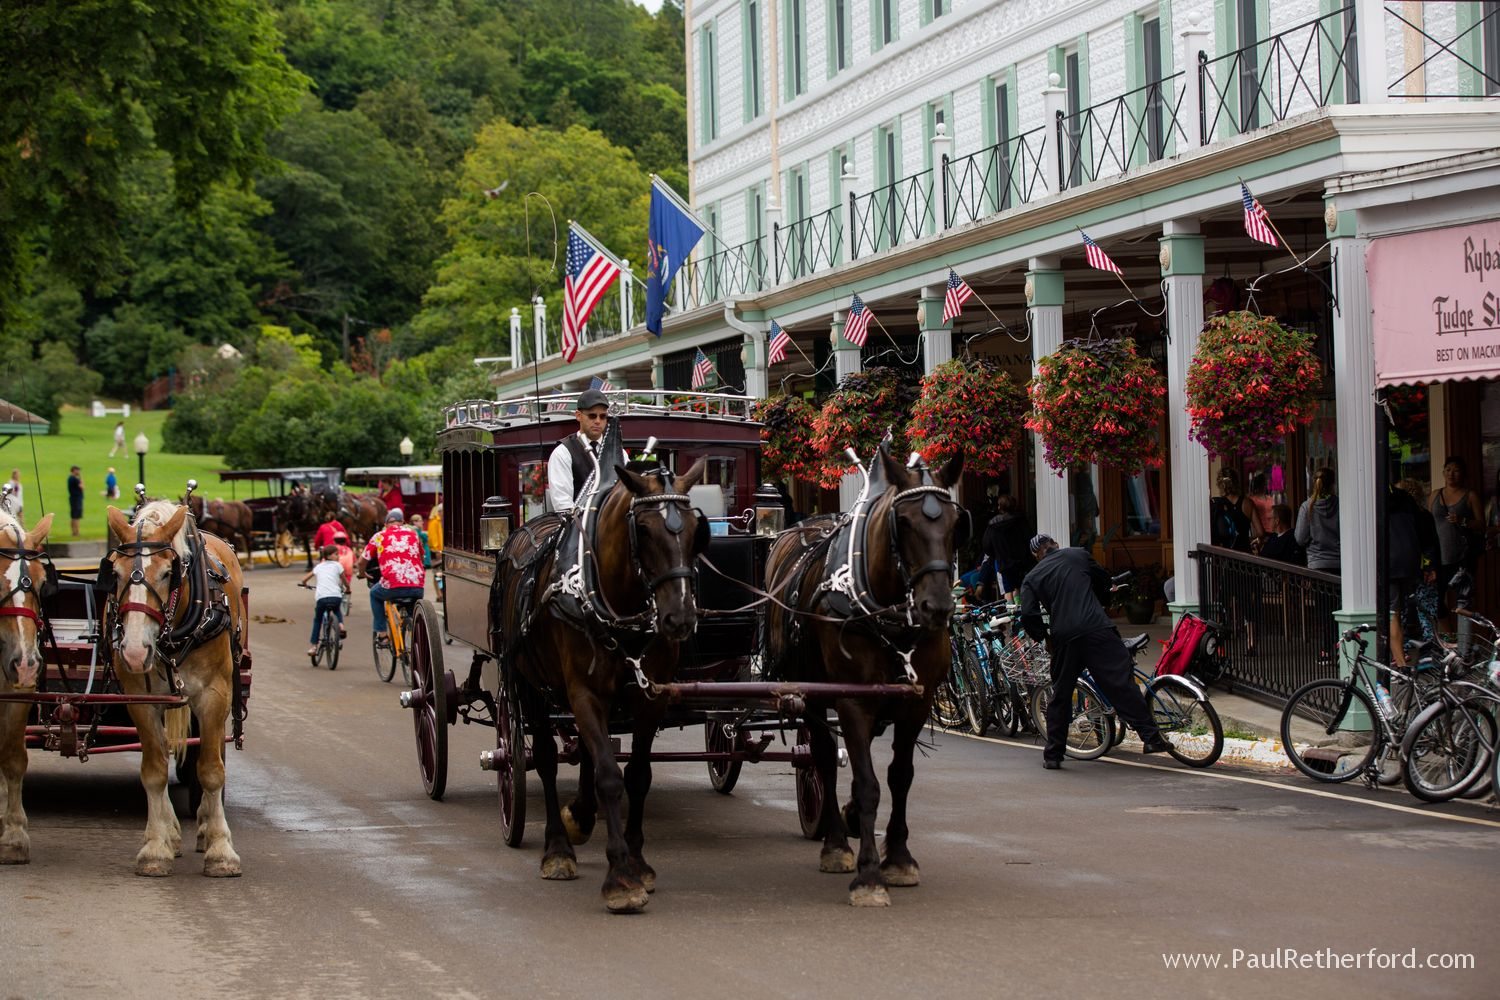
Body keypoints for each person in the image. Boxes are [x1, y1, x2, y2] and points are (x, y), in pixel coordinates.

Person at [1018, 534, 1171, 769]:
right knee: (1120, 683)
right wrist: (1099, 601)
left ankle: (1053, 755)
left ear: (1036, 556)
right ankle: (1151, 738)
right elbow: (1103, 582)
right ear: (1056, 545)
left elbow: (1027, 614)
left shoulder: (1033, 576)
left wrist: (1044, 637)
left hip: (1065, 638)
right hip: (1097, 629)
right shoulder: (1078, 555)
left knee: (1060, 694)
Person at [1429, 456, 1483, 652]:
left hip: (1462, 556)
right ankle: (1450, 642)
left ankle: (1465, 645)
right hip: (1438, 557)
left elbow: (1481, 524)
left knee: (1464, 602)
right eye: (1448, 469)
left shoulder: (1470, 495)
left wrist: (1462, 521)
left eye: (1456, 470)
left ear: (1463, 474)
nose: (1451, 474)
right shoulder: (1435, 495)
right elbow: (1428, 524)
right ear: (1443, 472)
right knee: (1436, 602)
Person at [357, 508, 425, 646]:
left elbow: (361, 561)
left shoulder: (379, 536)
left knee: (374, 594)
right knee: (413, 608)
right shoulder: (413, 534)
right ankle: (417, 635)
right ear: (403, 523)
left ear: (386, 524)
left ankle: (382, 634)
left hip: (393, 586)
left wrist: (361, 573)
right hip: (417, 586)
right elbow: (421, 556)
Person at [1387, 483, 1438, 668]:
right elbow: (1425, 535)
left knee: (1393, 613)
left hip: (1389, 562)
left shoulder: (1375, 500)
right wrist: (1429, 564)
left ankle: (1400, 662)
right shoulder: (1407, 500)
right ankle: (1415, 654)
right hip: (1410, 560)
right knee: (1404, 609)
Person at [546, 387, 611, 514]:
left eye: (603, 416)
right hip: (579, 527)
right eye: (592, 416)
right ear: (578, 416)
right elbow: (563, 505)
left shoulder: (618, 452)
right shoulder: (563, 453)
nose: (598, 421)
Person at [981, 495, 1034, 599]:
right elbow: (1029, 539)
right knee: (1019, 587)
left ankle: (1010, 611)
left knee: (1007, 589)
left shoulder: (993, 525)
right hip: (1021, 562)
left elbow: (986, 545)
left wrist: (997, 554)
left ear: (999, 507)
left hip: (1003, 563)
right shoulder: (1021, 521)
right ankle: (1019, 610)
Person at [301, 545, 349, 657]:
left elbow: (304, 579)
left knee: (318, 620)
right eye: (336, 554)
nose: (338, 556)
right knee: (337, 610)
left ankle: (314, 647)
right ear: (328, 556)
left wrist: (305, 585)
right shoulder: (338, 566)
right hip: (336, 596)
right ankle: (341, 626)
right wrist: (348, 588)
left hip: (322, 598)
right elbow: (345, 581)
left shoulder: (319, 567)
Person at [1294, 467, 1340, 575]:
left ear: (1314, 483)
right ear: (1333, 484)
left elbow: (1300, 539)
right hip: (1339, 564)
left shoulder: (1306, 507)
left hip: (1316, 565)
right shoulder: (1340, 504)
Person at [1210, 469, 1259, 552]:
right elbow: (1260, 532)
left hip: (1225, 556)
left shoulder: (1216, 504)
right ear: (1236, 482)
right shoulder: (1248, 503)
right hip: (1245, 554)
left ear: (1220, 485)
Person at [1246, 471, 1275, 537]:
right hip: (1259, 534)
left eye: (1266, 484)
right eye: (1264, 484)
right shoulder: (1252, 500)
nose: (1265, 486)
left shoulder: (1270, 499)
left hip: (1272, 533)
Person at [67, 466, 83, 537]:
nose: (79, 472)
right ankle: (76, 532)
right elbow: (82, 487)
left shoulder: (70, 478)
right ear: (74, 471)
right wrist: (81, 478)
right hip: (76, 499)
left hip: (73, 498)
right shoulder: (74, 479)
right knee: (76, 516)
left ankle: (74, 532)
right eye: (78, 470)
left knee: (73, 516)